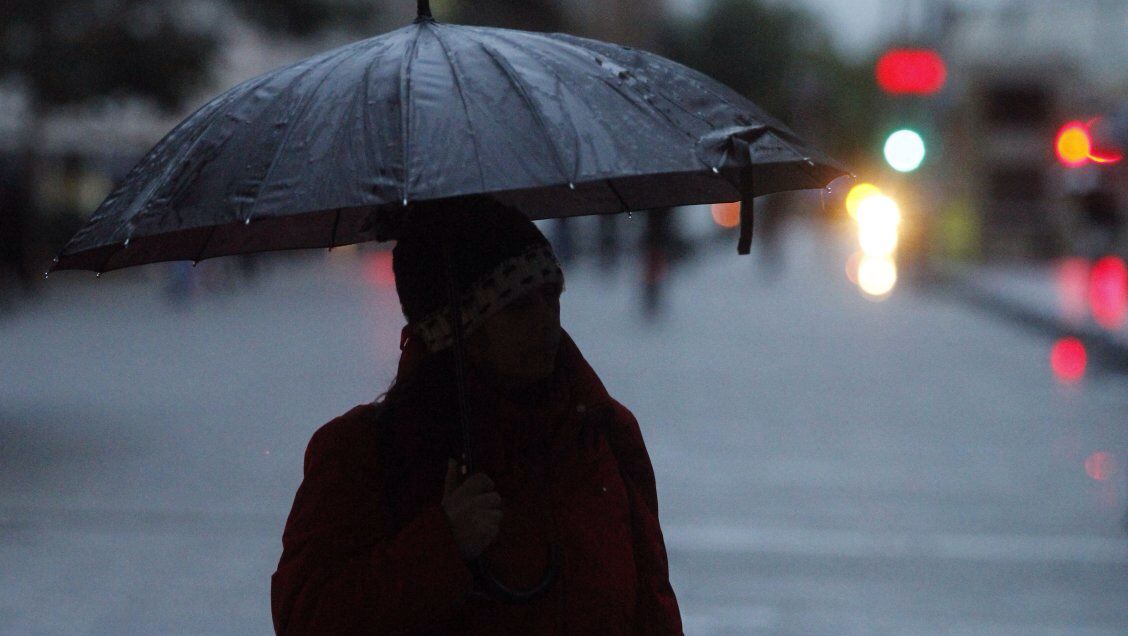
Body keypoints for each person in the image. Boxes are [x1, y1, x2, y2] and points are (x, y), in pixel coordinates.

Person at [270, 197, 683, 634]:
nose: (547, 323)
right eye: (517, 307)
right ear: (453, 328)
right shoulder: (365, 452)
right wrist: (443, 542)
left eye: (551, 296)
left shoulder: (603, 432)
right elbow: (307, 616)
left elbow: (652, 601)